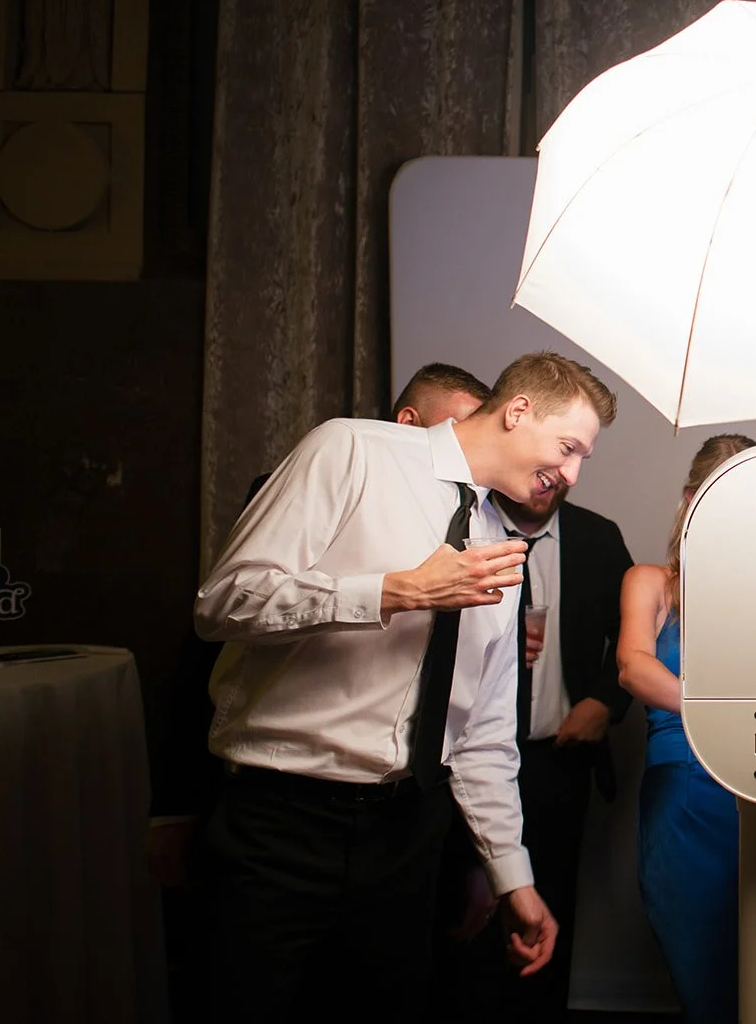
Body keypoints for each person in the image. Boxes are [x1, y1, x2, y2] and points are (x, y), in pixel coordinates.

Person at [192, 351, 615, 1020]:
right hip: (283, 822)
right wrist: (396, 590)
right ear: (519, 410)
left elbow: (480, 735)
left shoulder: (498, 545)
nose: (570, 473)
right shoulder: (351, 450)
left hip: (407, 836)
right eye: (569, 448)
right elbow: (223, 602)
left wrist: (515, 879)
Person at [148, 362, 491, 893]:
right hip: (280, 809)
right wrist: (172, 809)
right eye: (458, 435)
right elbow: (212, 637)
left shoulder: (481, 524)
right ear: (409, 422)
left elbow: (465, 709)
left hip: (405, 819)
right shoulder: (323, 469)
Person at [432, 477, 634, 1022]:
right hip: (460, 767)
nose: (553, 478)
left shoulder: (598, 537)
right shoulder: (463, 531)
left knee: (549, 912)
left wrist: (604, 702)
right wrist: (487, 641)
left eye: (571, 461)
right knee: (465, 921)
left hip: (557, 763)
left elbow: (636, 634)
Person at [616, 433, 756, 1024]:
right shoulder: (651, 581)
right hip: (685, 797)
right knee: (704, 977)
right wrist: (720, 707)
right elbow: (633, 667)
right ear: (689, 498)